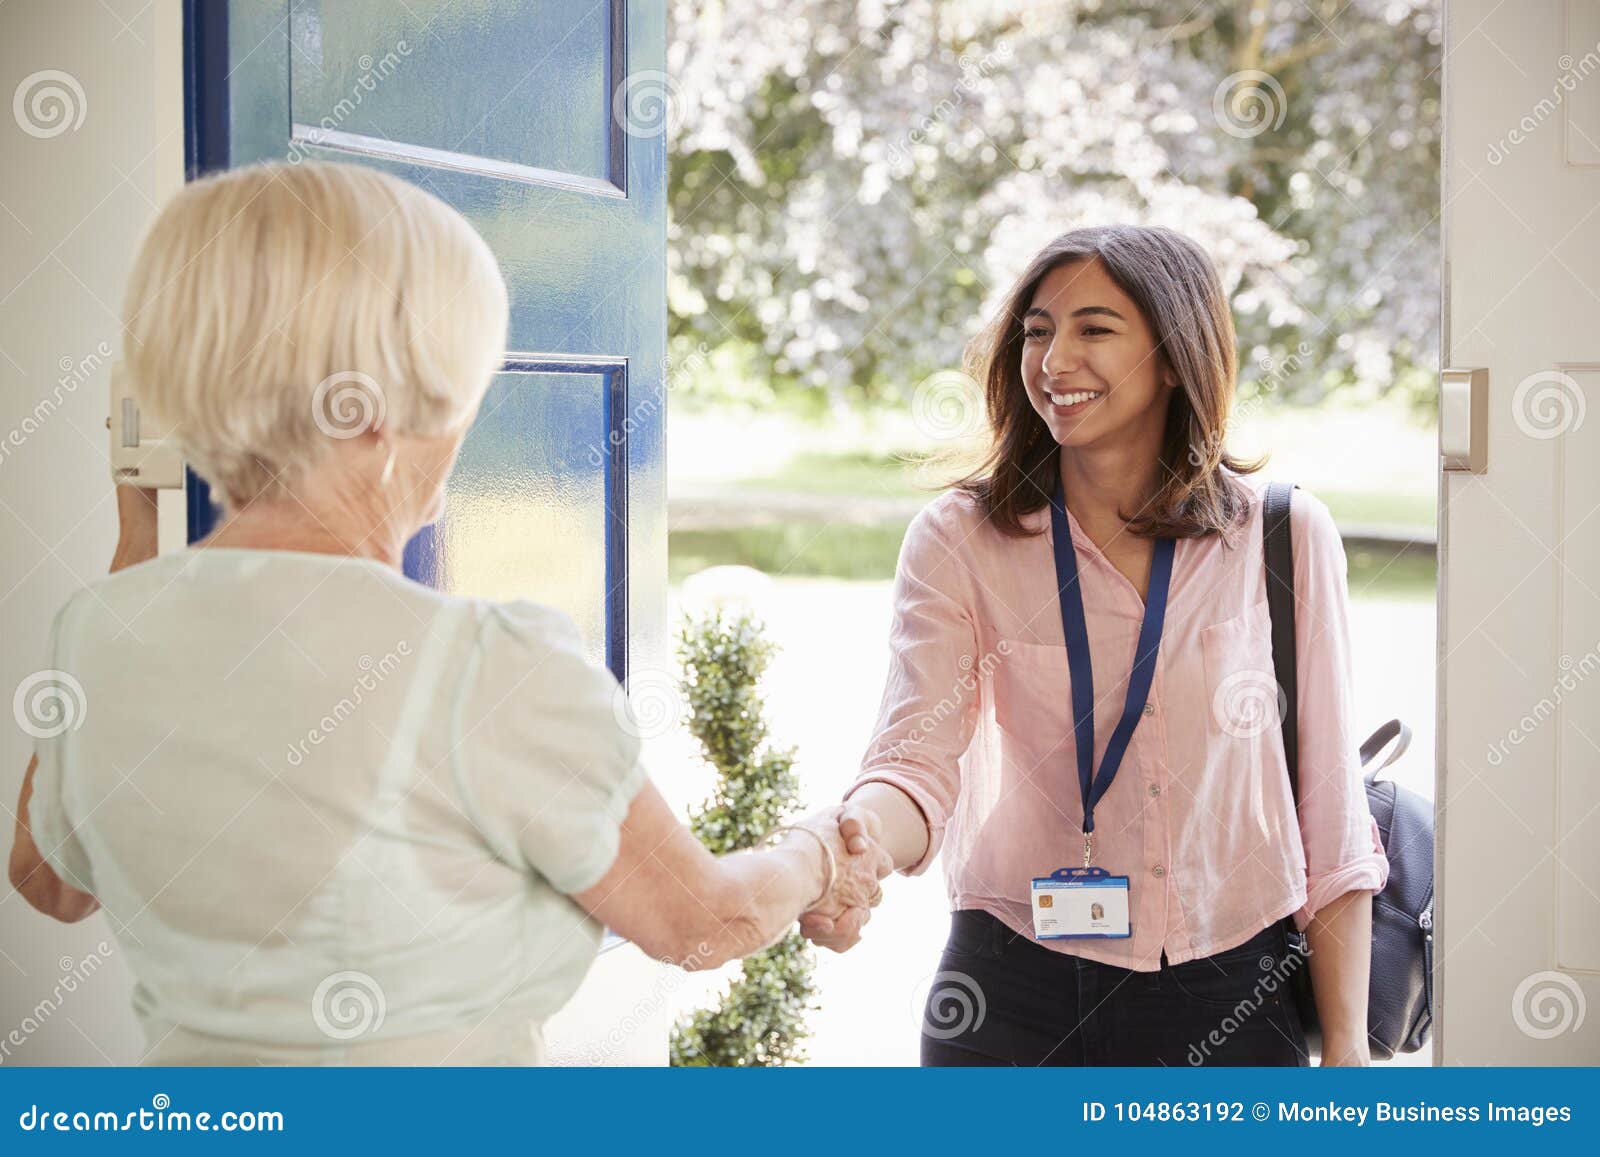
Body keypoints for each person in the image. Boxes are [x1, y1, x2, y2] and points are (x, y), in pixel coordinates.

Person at [7, 160, 889, 1066]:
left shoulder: (95, 632)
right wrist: (821, 852)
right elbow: (702, 920)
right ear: (377, 413)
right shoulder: (490, 667)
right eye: (461, 389)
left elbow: (47, 881)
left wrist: (135, 540)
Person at [804, 226, 1389, 1067]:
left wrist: (1346, 1047)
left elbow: (1328, 811)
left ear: (1175, 353)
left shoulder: (1281, 535)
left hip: (1231, 990)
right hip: (1012, 993)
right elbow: (914, 761)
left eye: (1095, 329)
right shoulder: (960, 539)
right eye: (1038, 330)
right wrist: (850, 845)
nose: (1052, 360)